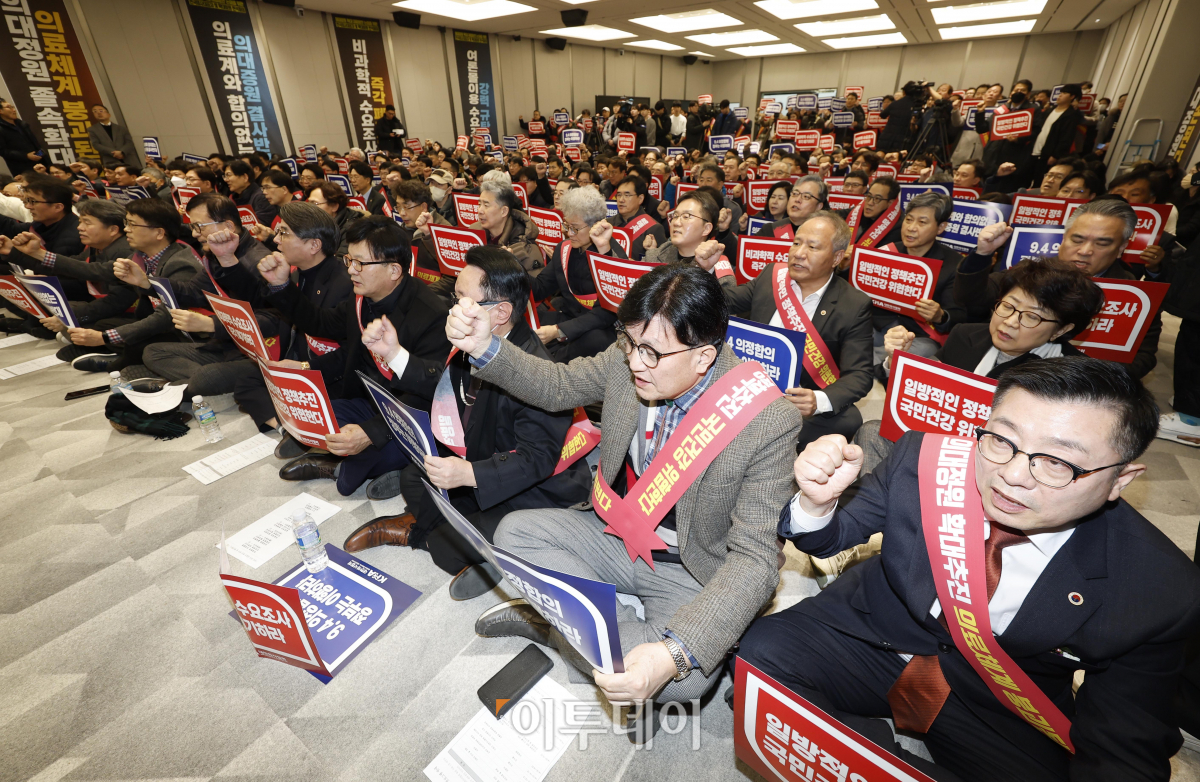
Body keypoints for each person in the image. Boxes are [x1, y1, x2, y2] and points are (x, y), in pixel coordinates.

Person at [740, 356, 1199, 782]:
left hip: (996, 699)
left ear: (1121, 479)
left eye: (1057, 462)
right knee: (759, 663)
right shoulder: (925, 460)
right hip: (872, 635)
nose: (1014, 475)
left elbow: (1126, 742)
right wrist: (817, 503)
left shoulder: (1159, 588)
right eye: (1002, 440)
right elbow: (830, 538)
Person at [455, 263, 801, 731]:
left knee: (685, 679)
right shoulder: (630, 358)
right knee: (515, 533)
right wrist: (485, 346)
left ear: (704, 357)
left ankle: (567, 631)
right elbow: (557, 386)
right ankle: (600, 640)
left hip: (687, 564)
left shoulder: (767, 422)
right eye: (630, 342)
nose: (635, 362)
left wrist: (669, 654)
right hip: (615, 532)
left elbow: (755, 559)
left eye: (653, 353)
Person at [341, 247, 593, 597]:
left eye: (461, 298)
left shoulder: (537, 370)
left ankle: (425, 534)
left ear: (500, 312)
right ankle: (437, 528)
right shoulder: (477, 339)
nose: (452, 306)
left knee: (453, 540)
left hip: (533, 487)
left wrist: (468, 475)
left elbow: (537, 460)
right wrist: (394, 353)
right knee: (414, 477)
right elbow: (443, 383)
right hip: (480, 452)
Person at [861, 258, 1103, 476]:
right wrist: (898, 359)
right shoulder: (966, 335)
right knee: (872, 431)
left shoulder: (1071, 377)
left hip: (1002, 467)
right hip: (939, 443)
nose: (1009, 322)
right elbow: (919, 393)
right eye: (1008, 306)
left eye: (1031, 317)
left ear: (1061, 330)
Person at [268, 217, 451, 497]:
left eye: (360, 263)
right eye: (349, 260)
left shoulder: (430, 314)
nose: (351, 270)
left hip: (411, 413)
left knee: (367, 458)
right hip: (369, 400)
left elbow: (430, 393)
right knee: (318, 412)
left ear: (393, 270)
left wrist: (370, 433)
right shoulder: (362, 297)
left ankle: (340, 466)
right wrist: (282, 286)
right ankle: (355, 458)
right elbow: (321, 323)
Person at [698, 210, 872, 450]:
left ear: (836, 258)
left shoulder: (853, 304)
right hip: (746, 386)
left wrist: (817, 400)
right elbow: (721, 302)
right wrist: (706, 271)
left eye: (813, 247)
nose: (798, 253)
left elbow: (860, 375)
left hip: (796, 397)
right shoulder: (773, 276)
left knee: (849, 418)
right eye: (796, 243)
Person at [955, 198, 1161, 378]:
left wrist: (1089, 376)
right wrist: (982, 255)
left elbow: (1143, 357)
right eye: (1077, 239)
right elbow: (973, 298)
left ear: (1121, 248)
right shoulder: (1031, 273)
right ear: (1063, 238)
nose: (1085, 251)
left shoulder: (1136, 296)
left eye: (1102, 244)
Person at [211, 202, 356, 457]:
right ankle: (286, 429)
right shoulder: (297, 272)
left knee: (334, 407)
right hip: (297, 361)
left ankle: (305, 431)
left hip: (330, 372)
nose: (276, 239)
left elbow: (351, 354)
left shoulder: (345, 283)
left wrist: (303, 370)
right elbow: (260, 300)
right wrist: (226, 258)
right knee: (248, 382)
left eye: (285, 233)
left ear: (314, 245)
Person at [135, 194, 271, 392]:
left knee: (208, 376)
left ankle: (189, 384)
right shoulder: (214, 256)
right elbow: (192, 291)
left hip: (262, 350)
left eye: (200, 226)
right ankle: (196, 384)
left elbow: (270, 320)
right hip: (229, 344)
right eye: (192, 227)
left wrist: (212, 324)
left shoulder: (260, 262)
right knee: (153, 352)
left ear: (228, 227)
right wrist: (145, 282)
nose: (196, 234)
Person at [66, 198, 201, 373]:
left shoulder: (181, 263)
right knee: (105, 325)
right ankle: (121, 358)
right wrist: (40, 257)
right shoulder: (140, 256)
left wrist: (104, 338)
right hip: (157, 322)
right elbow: (93, 270)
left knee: (143, 344)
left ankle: (120, 363)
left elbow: (165, 317)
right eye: (126, 223)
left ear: (159, 233)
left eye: (132, 225)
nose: (126, 229)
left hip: (182, 332)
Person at [0, 199, 134, 364]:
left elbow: (116, 300)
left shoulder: (124, 250)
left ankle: (109, 350)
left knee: (95, 324)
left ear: (113, 229)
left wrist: (69, 317)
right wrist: (13, 252)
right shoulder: (98, 246)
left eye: (87, 223)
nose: (80, 227)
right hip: (107, 304)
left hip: (129, 311)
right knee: (49, 300)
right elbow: (68, 267)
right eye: (80, 222)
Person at [869, 193, 966, 369]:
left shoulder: (954, 264)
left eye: (922, 222)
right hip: (876, 326)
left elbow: (959, 315)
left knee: (920, 352)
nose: (911, 228)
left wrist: (940, 316)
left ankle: (877, 370)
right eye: (909, 220)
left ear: (940, 227)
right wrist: (846, 268)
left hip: (918, 336)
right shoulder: (885, 252)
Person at [531, 186, 626, 362]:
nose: (568, 233)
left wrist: (558, 330)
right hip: (570, 317)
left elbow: (606, 315)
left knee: (595, 340)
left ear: (595, 226)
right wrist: (513, 266)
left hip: (602, 328)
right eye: (566, 226)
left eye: (575, 228)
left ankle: (551, 366)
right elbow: (539, 289)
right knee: (532, 318)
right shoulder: (564, 248)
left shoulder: (613, 255)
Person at [467, 180, 542, 272]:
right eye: (479, 204)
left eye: (486, 205)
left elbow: (532, 285)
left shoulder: (525, 247)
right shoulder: (474, 234)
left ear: (504, 211)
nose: (480, 210)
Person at [608, 175, 666, 261]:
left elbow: (662, 264)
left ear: (640, 198)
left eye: (627, 195)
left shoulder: (654, 228)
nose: (621, 200)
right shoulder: (608, 224)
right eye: (619, 195)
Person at [755, 174, 826, 240]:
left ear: (819, 206)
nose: (797, 200)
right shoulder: (769, 231)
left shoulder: (824, 235)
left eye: (806, 196)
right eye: (795, 194)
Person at [848, 177, 903, 249]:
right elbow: (837, 214)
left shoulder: (898, 228)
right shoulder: (861, 209)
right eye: (869, 196)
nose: (870, 203)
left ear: (890, 203)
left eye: (877, 199)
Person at [224, 160, 276, 227]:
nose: (226, 179)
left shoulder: (261, 197)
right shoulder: (233, 198)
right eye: (225, 176)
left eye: (229, 175)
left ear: (245, 177)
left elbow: (260, 226)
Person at [86, 104, 139, 170]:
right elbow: (96, 144)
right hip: (110, 160)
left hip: (128, 158)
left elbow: (129, 142)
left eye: (101, 110)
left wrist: (122, 152)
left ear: (109, 114)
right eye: (95, 111)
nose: (98, 113)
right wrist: (113, 152)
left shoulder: (121, 128)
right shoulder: (92, 129)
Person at [0, 99, 44, 176]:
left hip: (40, 163)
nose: (13, 110)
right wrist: (26, 156)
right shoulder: (1, 129)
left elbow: (35, 143)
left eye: (12, 107)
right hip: (23, 169)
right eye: (9, 107)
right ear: (1, 111)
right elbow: (3, 151)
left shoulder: (22, 124)